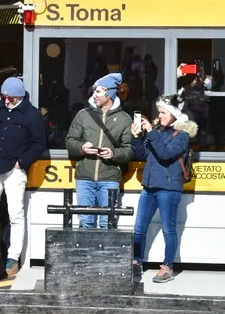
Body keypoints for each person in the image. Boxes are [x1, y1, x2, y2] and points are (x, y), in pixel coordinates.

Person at [0, 77, 47, 277]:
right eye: (5, 97)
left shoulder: (32, 115)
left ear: (20, 96)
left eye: (11, 98)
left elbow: (39, 143)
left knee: (15, 215)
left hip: (14, 169)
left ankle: (12, 258)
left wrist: (21, 162)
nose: (7, 101)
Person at [131, 93, 197, 283]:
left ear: (174, 114)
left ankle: (168, 266)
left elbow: (165, 154)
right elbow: (142, 154)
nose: (159, 116)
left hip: (169, 188)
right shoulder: (157, 132)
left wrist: (151, 132)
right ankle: (136, 262)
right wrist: (136, 138)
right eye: (158, 113)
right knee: (139, 229)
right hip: (149, 186)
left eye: (163, 113)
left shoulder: (182, 135)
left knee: (169, 229)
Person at [65, 73, 133, 229]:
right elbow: (70, 141)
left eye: (98, 91)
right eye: (94, 91)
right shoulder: (83, 115)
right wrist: (82, 148)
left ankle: (104, 255)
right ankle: (86, 255)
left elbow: (129, 150)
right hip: (84, 177)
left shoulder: (124, 119)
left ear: (109, 94)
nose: (94, 94)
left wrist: (113, 154)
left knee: (107, 223)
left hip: (109, 177)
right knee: (85, 222)